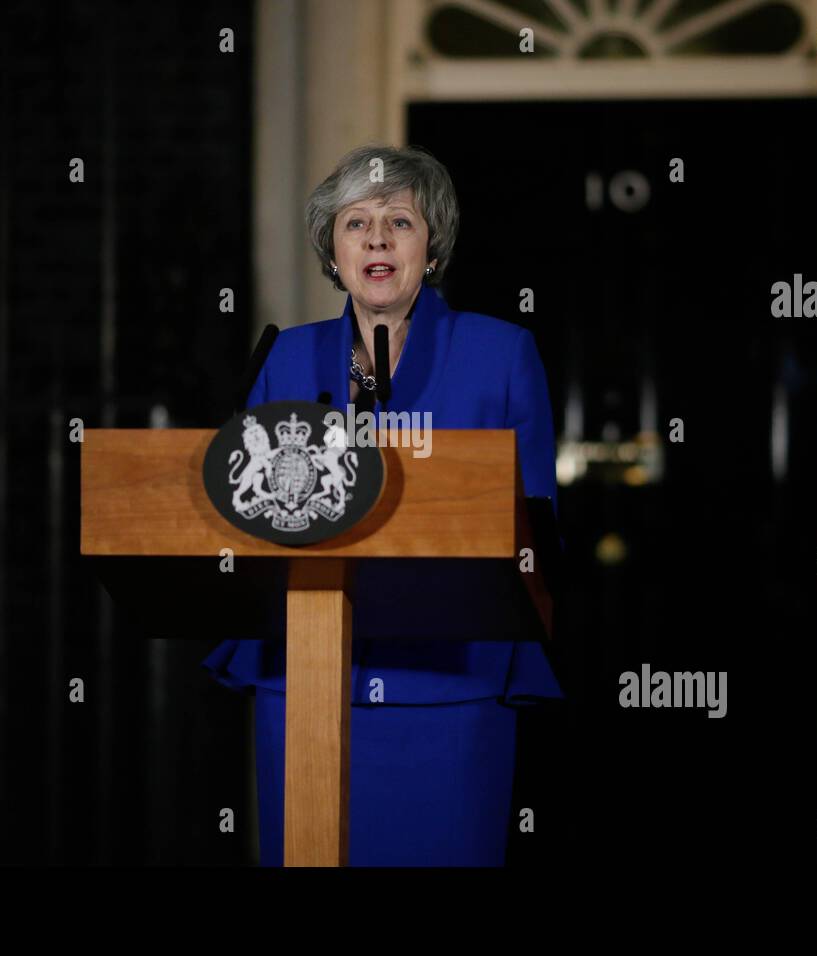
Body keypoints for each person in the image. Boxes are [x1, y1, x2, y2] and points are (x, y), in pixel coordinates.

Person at [203, 143, 563, 866]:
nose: (375, 237)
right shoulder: (285, 358)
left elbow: (536, 524)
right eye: (355, 222)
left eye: (399, 221)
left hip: (453, 687)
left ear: (432, 249)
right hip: (302, 683)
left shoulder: (502, 353)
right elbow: (246, 515)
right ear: (332, 253)